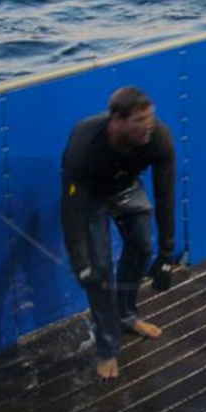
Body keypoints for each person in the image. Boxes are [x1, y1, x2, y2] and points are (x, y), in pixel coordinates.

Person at [60, 86, 177, 380]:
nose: (148, 125)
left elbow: (165, 197)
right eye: (139, 120)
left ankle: (126, 314)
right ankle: (107, 349)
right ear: (117, 122)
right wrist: (80, 264)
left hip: (126, 186)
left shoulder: (158, 137)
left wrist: (166, 254)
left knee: (142, 246)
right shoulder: (86, 146)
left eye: (150, 116)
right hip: (90, 199)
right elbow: (71, 209)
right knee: (98, 272)